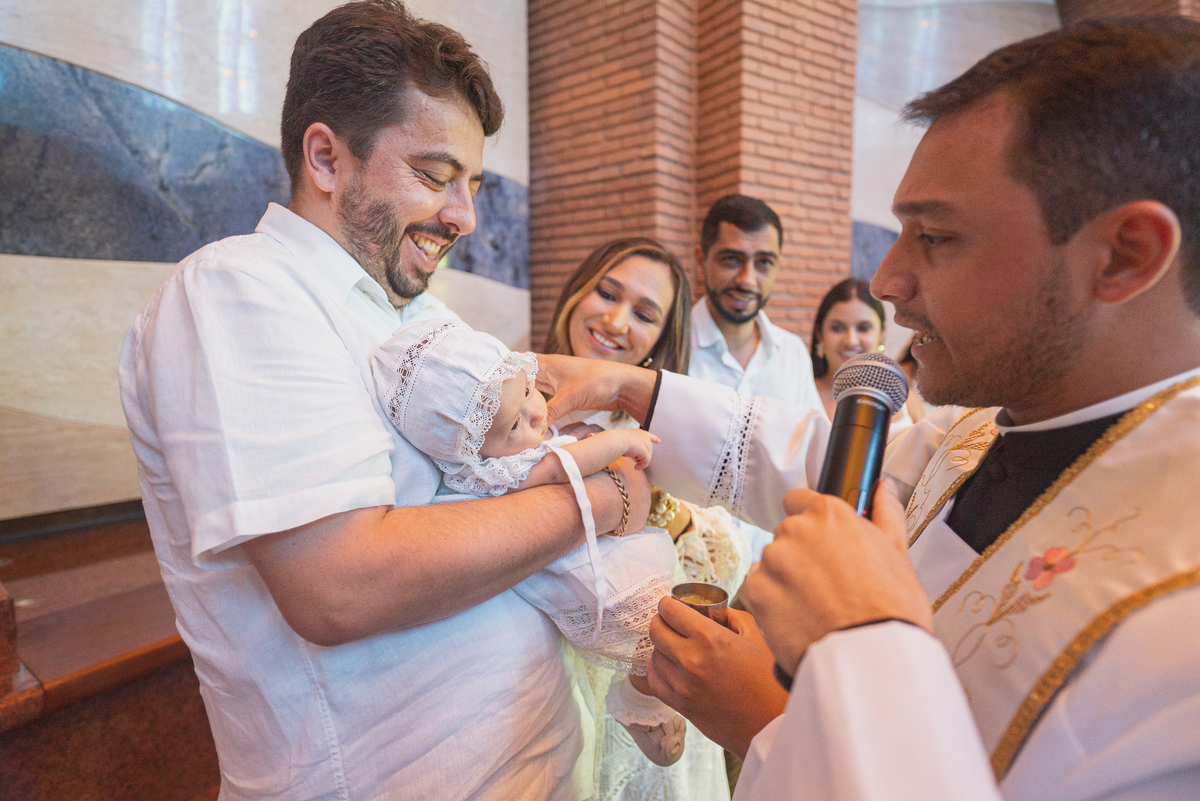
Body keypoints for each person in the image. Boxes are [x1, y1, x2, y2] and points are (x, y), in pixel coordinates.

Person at [536, 16, 1200, 800]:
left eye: (936, 236)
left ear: (1123, 255)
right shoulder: (992, 416)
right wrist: (637, 391)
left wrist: (770, 718)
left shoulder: (1176, 619)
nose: (886, 279)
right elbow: (840, 465)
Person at [118, 3, 648, 799]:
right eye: (435, 177)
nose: (464, 216)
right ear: (326, 158)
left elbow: (531, 463)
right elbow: (341, 581)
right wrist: (592, 500)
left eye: (470, 184)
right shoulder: (238, 288)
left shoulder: (422, 312)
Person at [370, 318, 688, 767]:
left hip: (588, 547)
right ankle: (640, 708)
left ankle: (645, 703)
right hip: (580, 570)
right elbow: (564, 465)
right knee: (647, 622)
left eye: (527, 393)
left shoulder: (499, 451)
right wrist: (621, 440)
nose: (537, 413)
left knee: (657, 624)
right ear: (477, 448)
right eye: (514, 424)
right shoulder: (500, 470)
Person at [544, 238, 753, 801]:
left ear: (661, 340)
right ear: (575, 292)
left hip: (637, 695)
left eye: (643, 313)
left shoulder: (670, 432)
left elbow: (725, 564)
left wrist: (654, 503)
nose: (613, 320)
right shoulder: (510, 389)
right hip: (533, 691)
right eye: (606, 293)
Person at [687, 195, 823, 413]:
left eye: (763, 263)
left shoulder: (792, 353)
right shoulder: (671, 345)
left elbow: (813, 442)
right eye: (731, 259)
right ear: (701, 261)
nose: (747, 280)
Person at [809, 277, 913, 431]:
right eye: (837, 328)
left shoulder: (902, 397)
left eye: (863, 328)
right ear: (820, 334)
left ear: (882, 332)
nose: (851, 341)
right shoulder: (801, 392)